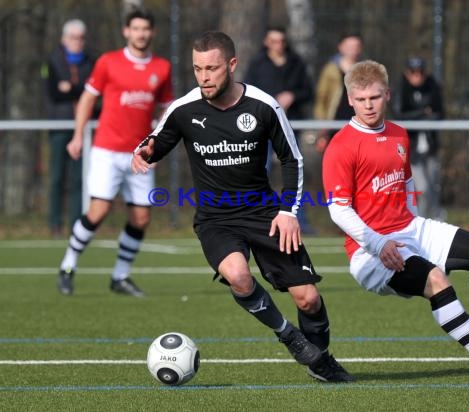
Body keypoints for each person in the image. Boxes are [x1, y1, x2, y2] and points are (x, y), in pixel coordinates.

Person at [131, 31, 352, 383]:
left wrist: (287, 212)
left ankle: (320, 360)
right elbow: (157, 140)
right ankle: (289, 336)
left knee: (308, 298)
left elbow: (291, 159)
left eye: (212, 68)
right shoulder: (185, 108)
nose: (203, 77)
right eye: (197, 68)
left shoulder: (264, 105)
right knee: (238, 275)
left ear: (231, 65)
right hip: (216, 218)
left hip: (265, 213)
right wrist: (144, 151)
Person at [322, 60, 469, 378]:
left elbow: (406, 181)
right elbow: (338, 210)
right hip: (369, 250)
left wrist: (414, 220)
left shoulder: (398, 134)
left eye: (375, 97)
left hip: (410, 228)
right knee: (436, 280)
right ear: (350, 100)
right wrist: (380, 243)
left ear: (388, 95)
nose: (369, 105)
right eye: (361, 99)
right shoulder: (341, 146)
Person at [57, 9, 173, 297]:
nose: (141, 34)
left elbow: (166, 110)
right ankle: (68, 265)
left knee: (142, 218)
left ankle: (120, 276)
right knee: (99, 210)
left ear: (152, 32)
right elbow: (87, 99)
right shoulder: (108, 62)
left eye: (146, 29)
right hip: (107, 149)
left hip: (140, 155)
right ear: (126, 31)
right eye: (136, 28)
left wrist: (159, 142)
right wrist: (77, 135)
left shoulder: (162, 67)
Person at [244, 26, 315, 234]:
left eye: (281, 41)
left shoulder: (296, 63)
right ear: (266, 42)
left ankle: (297, 218)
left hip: (291, 126)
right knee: (260, 171)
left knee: (293, 171)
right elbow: (247, 91)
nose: (278, 45)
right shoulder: (257, 64)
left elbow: (308, 91)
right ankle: (259, 216)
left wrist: (292, 95)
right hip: (262, 127)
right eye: (273, 41)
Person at [45, 19, 96, 238]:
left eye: (81, 38)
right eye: (73, 37)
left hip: (83, 127)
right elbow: (54, 93)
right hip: (60, 125)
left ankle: (77, 224)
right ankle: (54, 224)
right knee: (56, 176)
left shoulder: (91, 62)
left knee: (80, 178)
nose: (77, 42)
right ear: (64, 39)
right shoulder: (52, 61)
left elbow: (94, 94)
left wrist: (71, 89)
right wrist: (80, 91)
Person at [392, 56, 445, 220]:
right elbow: (399, 115)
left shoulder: (432, 86)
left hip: (430, 146)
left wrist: (420, 115)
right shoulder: (401, 89)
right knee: (422, 188)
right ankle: (420, 222)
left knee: (433, 188)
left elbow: (439, 113)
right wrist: (422, 113)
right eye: (413, 72)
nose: (417, 76)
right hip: (410, 149)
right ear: (407, 73)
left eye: (420, 72)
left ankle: (435, 221)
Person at [313, 33, 363, 152]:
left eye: (356, 46)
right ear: (340, 47)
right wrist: (322, 125)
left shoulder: (365, 70)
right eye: (349, 46)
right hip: (334, 123)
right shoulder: (330, 70)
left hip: (359, 123)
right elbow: (321, 98)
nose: (353, 50)